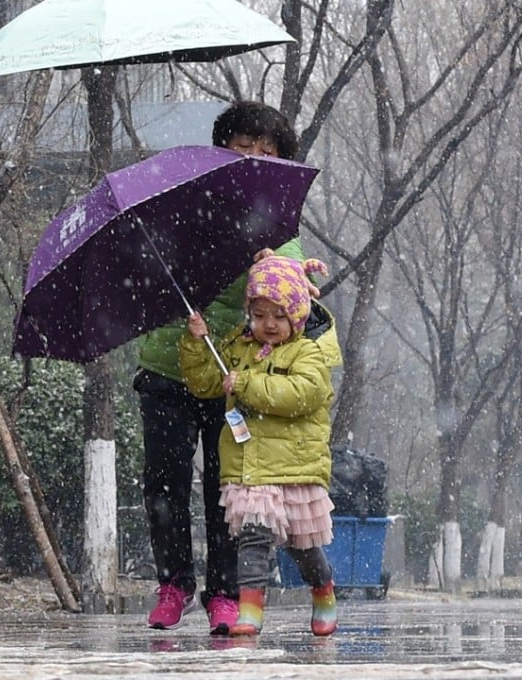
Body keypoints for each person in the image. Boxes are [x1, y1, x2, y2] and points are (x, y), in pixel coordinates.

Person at [134, 100, 303, 634]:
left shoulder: (279, 227)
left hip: (234, 377)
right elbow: (148, 267)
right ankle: (173, 584)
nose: (252, 157)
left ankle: (224, 593)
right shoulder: (184, 204)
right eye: (241, 147)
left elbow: (295, 301)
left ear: (281, 162)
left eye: (266, 151)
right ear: (220, 150)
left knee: (227, 487)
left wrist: (271, 273)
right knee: (165, 483)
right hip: (168, 363)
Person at [179, 251, 342, 637]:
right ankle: (249, 612)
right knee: (252, 539)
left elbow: (301, 394)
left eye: (279, 316)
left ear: (297, 316)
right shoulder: (239, 346)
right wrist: (197, 343)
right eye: (260, 314)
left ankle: (323, 590)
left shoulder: (308, 352)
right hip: (251, 465)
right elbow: (204, 383)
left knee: (303, 548)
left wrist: (248, 385)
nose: (268, 324)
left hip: (295, 466)